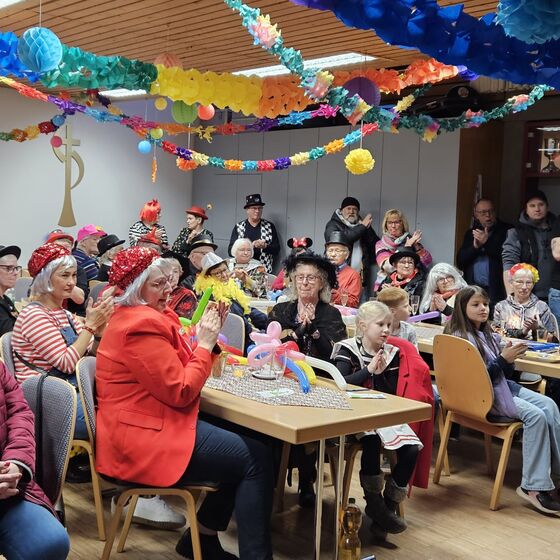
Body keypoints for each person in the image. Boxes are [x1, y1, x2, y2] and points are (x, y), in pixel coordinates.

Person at [96, 246, 274, 559]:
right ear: (136, 289)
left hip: (155, 419)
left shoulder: (152, 315)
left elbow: (179, 361)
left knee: (260, 441)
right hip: (143, 440)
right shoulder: (138, 326)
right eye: (158, 284)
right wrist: (205, 344)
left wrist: (205, 339)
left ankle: (201, 540)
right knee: (256, 459)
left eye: (168, 281)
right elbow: (181, 390)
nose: (169, 289)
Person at [445, 286, 560, 515]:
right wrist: (501, 360)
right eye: (476, 305)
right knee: (536, 416)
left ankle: (554, 475)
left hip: (499, 388)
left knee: (550, 404)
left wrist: (507, 358)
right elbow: (474, 380)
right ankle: (533, 487)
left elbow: (503, 375)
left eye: (485, 304)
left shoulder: (486, 334)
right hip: (480, 397)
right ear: (461, 307)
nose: (483, 309)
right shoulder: (460, 338)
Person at [332, 301, 433, 538]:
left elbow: (390, 392)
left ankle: (386, 506)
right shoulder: (347, 349)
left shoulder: (391, 353)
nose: (387, 330)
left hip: (381, 413)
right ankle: (373, 500)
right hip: (352, 415)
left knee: (411, 447)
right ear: (362, 326)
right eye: (380, 324)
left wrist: (381, 375)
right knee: (371, 441)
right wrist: (368, 371)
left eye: (389, 324)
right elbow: (340, 384)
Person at [12, 243, 113, 442]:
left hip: (71, 392)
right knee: (113, 424)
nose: (72, 282)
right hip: (49, 402)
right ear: (45, 278)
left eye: (74, 275)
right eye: (65, 275)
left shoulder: (64, 314)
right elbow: (66, 364)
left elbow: (89, 357)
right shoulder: (34, 315)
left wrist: (99, 335)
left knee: (123, 410)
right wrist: (90, 327)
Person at [268, 251, 346, 507]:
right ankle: (270, 479)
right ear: (292, 280)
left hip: (318, 382)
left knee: (304, 418)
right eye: (300, 277)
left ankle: (306, 480)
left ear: (321, 283)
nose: (304, 282)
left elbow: (333, 354)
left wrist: (312, 332)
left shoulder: (330, 314)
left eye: (311, 278)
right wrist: (298, 330)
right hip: (282, 378)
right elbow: (272, 343)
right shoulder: (282, 309)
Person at [0, 361, 70, 560]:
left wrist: (15, 465)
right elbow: (65, 362)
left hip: (7, 486)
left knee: (51, 542)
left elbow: (19, 412)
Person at [194, 253, 268, 348]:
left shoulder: (229, 286)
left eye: (225, 270)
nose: (224, 275)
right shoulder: (210, 296)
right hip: (231, 340)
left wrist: (267, 320)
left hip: (245, 331)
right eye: (217, 273)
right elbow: (234, 318)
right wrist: (254, 331)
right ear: (207, 277)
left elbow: (246, 309)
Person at [502, 190, 556, 301]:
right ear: (526, 209)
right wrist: (512, 297)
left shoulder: (557, 230)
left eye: (541, 204)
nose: (537, 209)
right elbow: (509, 265)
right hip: (528, 296)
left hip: (556, 295)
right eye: (532, 205)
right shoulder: (516, 233)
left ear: (547, 207)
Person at [457, 198, 511, 306]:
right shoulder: (471, 233)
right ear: (476, 215)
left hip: (497, 290)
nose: (488, 215)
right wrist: (475, 247)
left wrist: (486, 243)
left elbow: (507, 258)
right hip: (474, 288)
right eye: (483, 212)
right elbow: (460, 261)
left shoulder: (507, 231)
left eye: (490, 211)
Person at [324, 196, 379, 299]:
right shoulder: (333, 224)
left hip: (360, 277)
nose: (351, 212)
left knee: (361, 307)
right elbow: (344, 239)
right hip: (339, 277)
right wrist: (362, 227)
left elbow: (375, 245)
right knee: (340, 303)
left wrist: (367, 229)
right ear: (341, 211)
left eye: (355, 209)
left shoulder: (362, 225)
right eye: (348, 208)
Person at [494, 263, 557, 340]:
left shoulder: (542, 307)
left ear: (533, 285)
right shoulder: (501, 307)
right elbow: (496, 335)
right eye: (519, 282)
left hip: (536, 347)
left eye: (528, 283)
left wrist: (537, 328)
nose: (524, 287)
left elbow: (552, 339)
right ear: (511, 283)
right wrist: (522, 332)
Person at [375, 209, 431, 289]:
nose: (393, 226)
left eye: (397, 222)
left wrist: (416, 246)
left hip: (412, 285)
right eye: (390, 223)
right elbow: (388, 267)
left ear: (403, 224)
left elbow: (427, 262)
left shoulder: (411, 239)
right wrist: (407, 246)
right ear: (386, 225)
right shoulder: (381, 244)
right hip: (386, 284)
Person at [228, 194, 280, 274]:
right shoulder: (239, 227)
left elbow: (276, 250)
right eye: (254, 208)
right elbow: (230, 251)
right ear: (247, 209)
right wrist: (249, 247)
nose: (257, 211)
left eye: (260, 208)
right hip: (241, 272)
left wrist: (265, 246)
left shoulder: (269, 226)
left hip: (263, 271)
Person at [47, 231, 89, 316]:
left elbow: (80, 299)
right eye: (59, 247)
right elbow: (32, 295)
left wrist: (62, 277)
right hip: (48, 312)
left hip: (74, 315)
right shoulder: (45, 269)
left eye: (67, 247)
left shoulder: (78, 270)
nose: (63, 251)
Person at [325, 231, 362, 308]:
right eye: (330, 250)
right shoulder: (321, 271)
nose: (333, 254)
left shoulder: (353, 275)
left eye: (337, 251)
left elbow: (354, 302)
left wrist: (333, 294)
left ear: (347, 255)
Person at [163, 253, 198, 321]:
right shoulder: (153, 291)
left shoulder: (186, 294)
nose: (171, 275)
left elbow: (179, 320)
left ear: (180, 274)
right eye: (167, 271)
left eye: (175, 271)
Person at [0, 245, 21, 336]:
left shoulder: (5, 299)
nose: (16, 273)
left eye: (16, 268)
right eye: (9, 268)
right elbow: (10, 337)